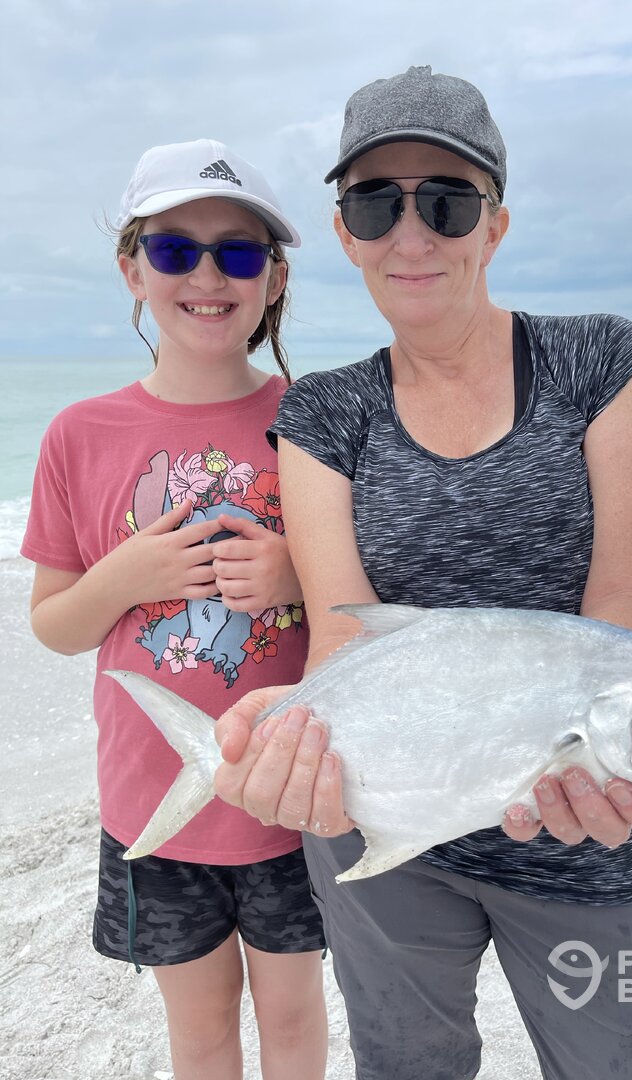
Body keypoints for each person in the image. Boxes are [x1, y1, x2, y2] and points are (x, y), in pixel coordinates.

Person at [215, 66, 632, 1079]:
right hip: (381, 831)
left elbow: (623, 603)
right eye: (375, 204)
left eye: (446, 200)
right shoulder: (323, 413)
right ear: (345, 234)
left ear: (496, 224)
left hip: (578, 821)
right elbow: (346, 633)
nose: (412, 235)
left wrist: (623, 753)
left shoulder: (601, 363)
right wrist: (301, 752)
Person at [21, 139, 327, 1080]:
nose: (207, 275)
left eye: (237, 252)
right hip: (153, 803)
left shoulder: (319, 420)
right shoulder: (79, 434)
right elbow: (56, 625)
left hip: (294, 793)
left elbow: (368, 602)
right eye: (174, 250)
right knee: (198, 1031)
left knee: (294, 1017)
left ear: (274, 278)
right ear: (133, 271)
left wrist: (295, 577)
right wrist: (126, 576)